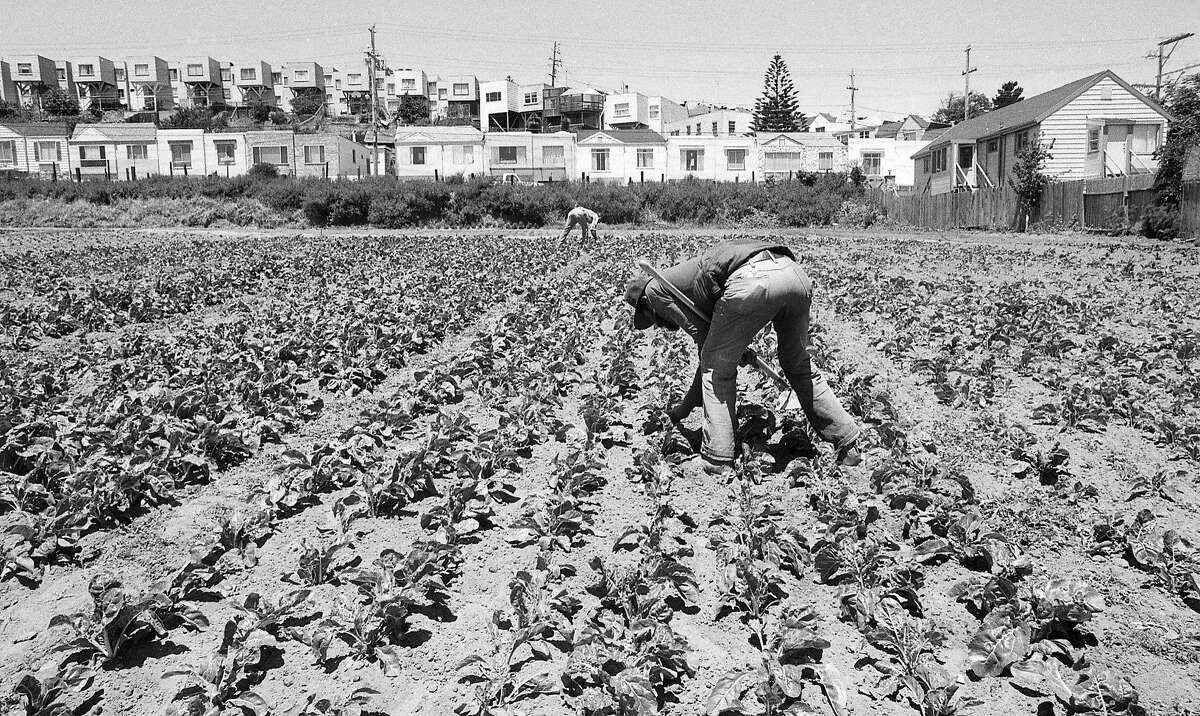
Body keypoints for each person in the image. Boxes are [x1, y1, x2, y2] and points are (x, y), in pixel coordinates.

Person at [624, 240, 862, 473]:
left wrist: (683, 409)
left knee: (717, 368)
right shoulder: (684, 282)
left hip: (753, 279)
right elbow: (714, 339)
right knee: (798, 364)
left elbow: (707, 345)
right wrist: (684, 410)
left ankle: (717, 459)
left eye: (651, 319)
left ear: (645, 304)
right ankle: (848, 444)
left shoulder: (654, 291)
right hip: (792, 273)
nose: (658, 325)